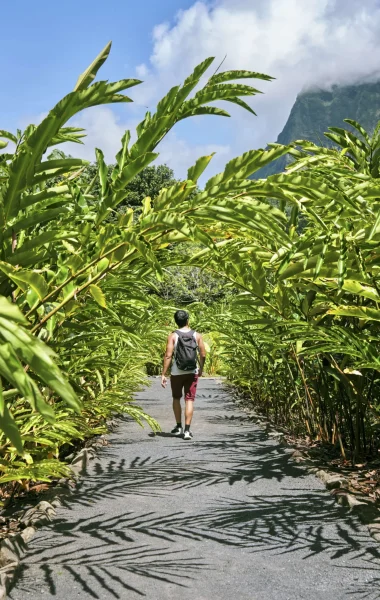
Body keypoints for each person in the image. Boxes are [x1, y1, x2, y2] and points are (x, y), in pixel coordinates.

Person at [161, 310, 206, 440]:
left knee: (176, 398)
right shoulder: (197, 335)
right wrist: (201, 368)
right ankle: (187, 431)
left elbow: (168, 355)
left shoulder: (173, 336)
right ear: (188, 321)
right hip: (192, 372)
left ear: (176, 321)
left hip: (176, 372)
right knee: (189, 399)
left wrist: (164, 373)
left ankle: (178, 426)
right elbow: (203, 354)